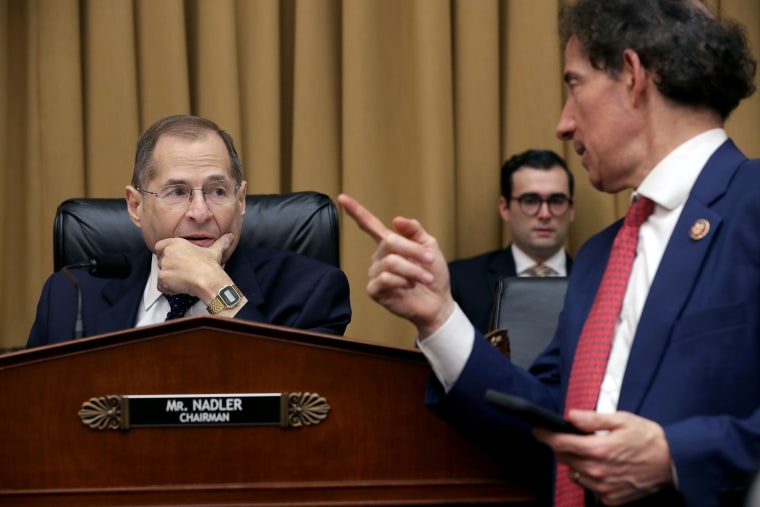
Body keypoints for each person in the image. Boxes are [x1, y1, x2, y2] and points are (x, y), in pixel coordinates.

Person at [338, 0, 760, 505]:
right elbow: (546, 423)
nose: (562, 124)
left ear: (631, 75)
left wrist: (677, 457)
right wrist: (439, 317)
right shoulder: (602, 256)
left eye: (574, 84)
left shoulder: (751, 203)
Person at [27, 115, 351, 347]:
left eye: (218, 191)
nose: (200, 212)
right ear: (136, 206)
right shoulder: (71, 295)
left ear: (241, 201)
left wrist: (213, 286)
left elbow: (298, 399)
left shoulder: (311, 290)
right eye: (177, 192)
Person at [449, 149, 575, 333]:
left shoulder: (601, 281)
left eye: (556, 200)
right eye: (530, 200)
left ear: (571, 209)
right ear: (504, 208)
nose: (545, 214)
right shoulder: (461, 281)